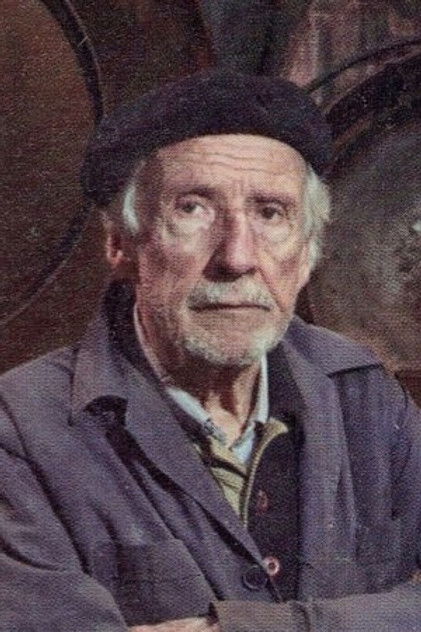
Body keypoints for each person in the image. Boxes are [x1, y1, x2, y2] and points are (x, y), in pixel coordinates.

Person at [0, 70, 420, 632]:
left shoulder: (363, 392)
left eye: (270, 213)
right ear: (121, 246)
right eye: (193, 209)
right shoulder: (20, 429)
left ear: (306, 256)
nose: (237, 257)